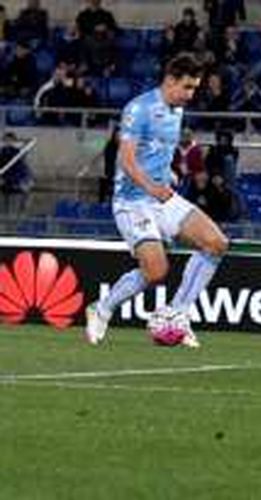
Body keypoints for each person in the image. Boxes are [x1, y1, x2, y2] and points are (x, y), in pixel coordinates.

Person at [85, 53, 229, 349]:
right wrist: (153, 187)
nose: (191, 95)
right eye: (187, 87)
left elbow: (157, 152)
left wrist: (170, 174)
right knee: (156, 271)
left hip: (162, 195)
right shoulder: (139, 109)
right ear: (170, 80)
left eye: (195, 88)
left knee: (217, 243)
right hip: (133, 202)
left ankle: (177, 313)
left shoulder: (176, 110)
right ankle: (102, 308)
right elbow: (126, 161)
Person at [0, 132, 33, 214]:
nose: (7, 143)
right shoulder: (3, 153)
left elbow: (21, 171)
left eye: (10, 141)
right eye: (6, 141)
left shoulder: (17, 154)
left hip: (16, 187)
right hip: (7, 186)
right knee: (5, 210)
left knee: (14, 211)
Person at [100, 125, 119, 202]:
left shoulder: (124, 146)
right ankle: (103, 202)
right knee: (105, 182)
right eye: (117, 135)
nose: (118, 137)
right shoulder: (110, 145)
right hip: (110, 172)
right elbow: (108, 160)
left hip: (121, 174)